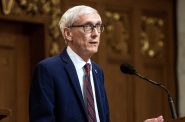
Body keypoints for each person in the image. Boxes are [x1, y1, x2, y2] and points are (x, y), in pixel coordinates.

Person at [29, 5, 164, 122]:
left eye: (99, 27)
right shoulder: (48, 69)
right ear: (68, 33)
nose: (95, 34)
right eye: (88, 27)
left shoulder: (96, 71)